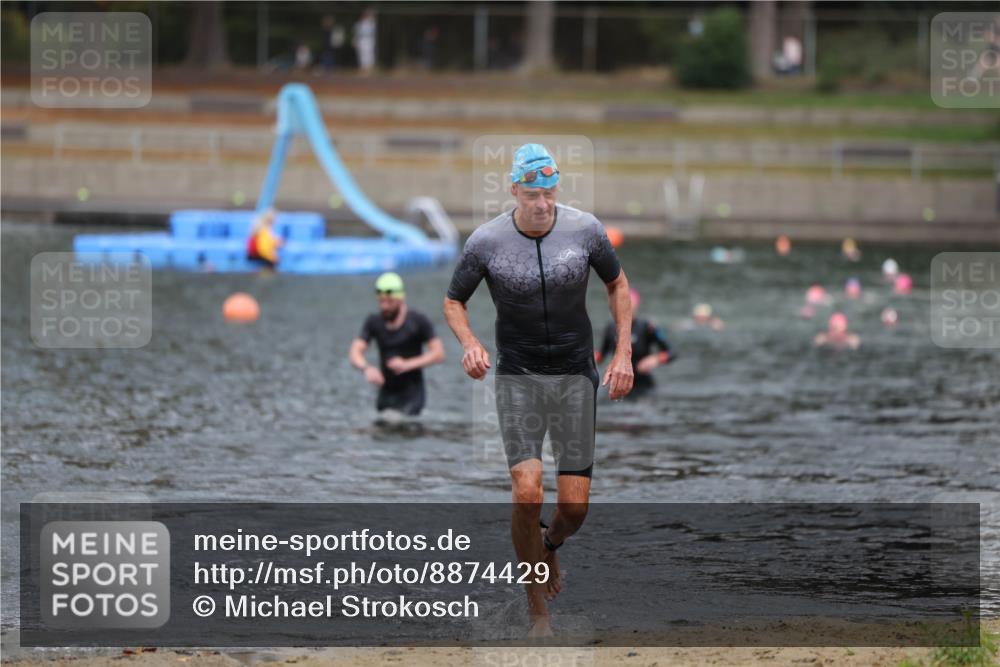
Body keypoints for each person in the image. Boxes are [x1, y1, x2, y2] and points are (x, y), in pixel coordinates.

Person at [443, 143, 634, 637]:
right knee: (527, 493)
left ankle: (548, 547)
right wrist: (468, 344)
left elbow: (617, 284)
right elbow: (453, 301)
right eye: (533, 193)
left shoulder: (586, 230)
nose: (543, 202)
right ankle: (536, 612)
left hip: (574, 378)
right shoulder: (486, 242)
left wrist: (625, 353)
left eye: (549, 192)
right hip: (519, 379)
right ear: (514, 191)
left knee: (574, 509)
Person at [349, 272, 445, 416]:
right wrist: (366, 368)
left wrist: (407, 364)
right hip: (386, 392)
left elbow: (438, 353)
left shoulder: (418, 321)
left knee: (403, 427)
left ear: (401, 299)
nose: (385, 307)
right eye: (381, 302)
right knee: (382, 429)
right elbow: (355, 352)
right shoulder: (373, 322)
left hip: (412, 395)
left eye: (389, 302)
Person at [596, 288, 674, 398]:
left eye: (630, 305)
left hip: (644, 385)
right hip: (619, 384)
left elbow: (672, 352)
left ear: (637, 306)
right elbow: (601, 356)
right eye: (622, 304)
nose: (626, 309)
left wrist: (656, 359)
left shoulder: (647, 327)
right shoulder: (611, 328)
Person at [353, 8, 377, 74]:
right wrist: (355, 41)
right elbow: (356, 33)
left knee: (369, 54)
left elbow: (373, 28)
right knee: (361, 55)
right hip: (361, 40)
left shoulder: (371, 23)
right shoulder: (358, 24)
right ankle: (363, 68)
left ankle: (369, 68)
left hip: (369, 40)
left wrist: (371, 14)